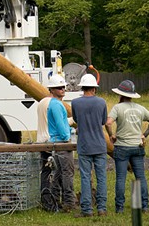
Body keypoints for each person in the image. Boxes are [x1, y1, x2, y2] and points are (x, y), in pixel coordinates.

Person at [106, 80, 149, 214]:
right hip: (137, 146)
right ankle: (144, 206)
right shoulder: (140, 108)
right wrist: (144, 135)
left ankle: (120, 208)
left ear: (120, 94)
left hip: (122, 147)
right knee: (140, 177)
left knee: (121, 178)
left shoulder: (117, 108)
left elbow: (108, 123)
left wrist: (111, 135)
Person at [71, 73, 108, 218]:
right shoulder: (101, 102)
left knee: (85, 177)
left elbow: (76, 119)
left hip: (84, 145)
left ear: (82, 87)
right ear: (94, 88)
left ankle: (87, 209)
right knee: (102, 177)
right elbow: (103, 121)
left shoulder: (75, 103)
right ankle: (102, 208)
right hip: (99, 144)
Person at [36, 74, 75, 212]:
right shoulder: (57, 105)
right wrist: (68, 134)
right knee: (66, 173)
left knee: (54, 173)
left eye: (63, 87)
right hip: (60, 143)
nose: (62, 89)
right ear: (51, 90)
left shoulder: (48, 103)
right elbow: (61, 127)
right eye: (58, 88)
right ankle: (68, 202)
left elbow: (62, 124)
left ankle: (51, 202)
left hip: (49, 142)